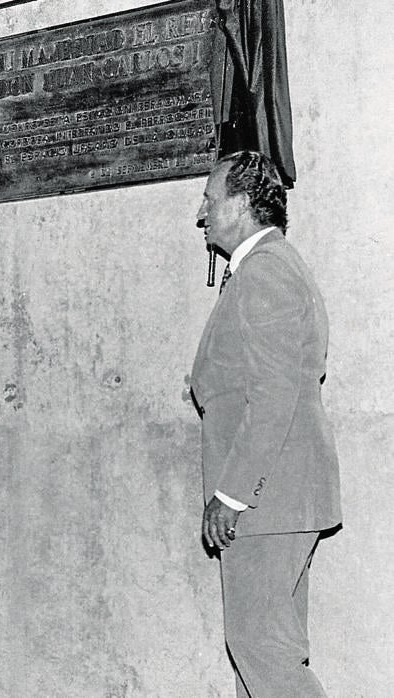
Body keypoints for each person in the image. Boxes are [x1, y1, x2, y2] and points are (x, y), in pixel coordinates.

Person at [191, 150, 341, 696]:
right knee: (264, 652)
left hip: (267, 498)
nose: (202, 214)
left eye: (210, 199)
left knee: (260, 648)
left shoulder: (267, 272)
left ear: (244, 204)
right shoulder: (264, 270)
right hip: (279, 495)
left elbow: (274, 397)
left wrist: (231, 496)